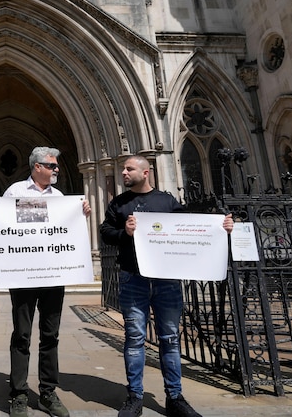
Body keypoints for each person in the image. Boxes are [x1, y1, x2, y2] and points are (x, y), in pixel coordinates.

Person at [99, 155, 233, 417]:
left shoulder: (167, 201)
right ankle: (135, 397)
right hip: (132, 277)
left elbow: (191, 228)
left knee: (170, 339)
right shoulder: (118, 203)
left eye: (129, 169)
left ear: (146, 172)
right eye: (123, 169)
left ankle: (175, 397)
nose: (123, 173)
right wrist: (123, 233)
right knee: (135, 338)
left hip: (166, 280)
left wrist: (221, 227)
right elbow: (105, 233)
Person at [0, 146, 91, 417]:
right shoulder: (15, 192)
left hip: (54, 274)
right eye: (52, 166)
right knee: (21, 334)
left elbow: (63, 231)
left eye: (56, 167)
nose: (56, 170)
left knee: (50, 334)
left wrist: (82, 214)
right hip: (23, 275)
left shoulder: (58, 197)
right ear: (37, 167)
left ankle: (48, 392)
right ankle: (19, 394)